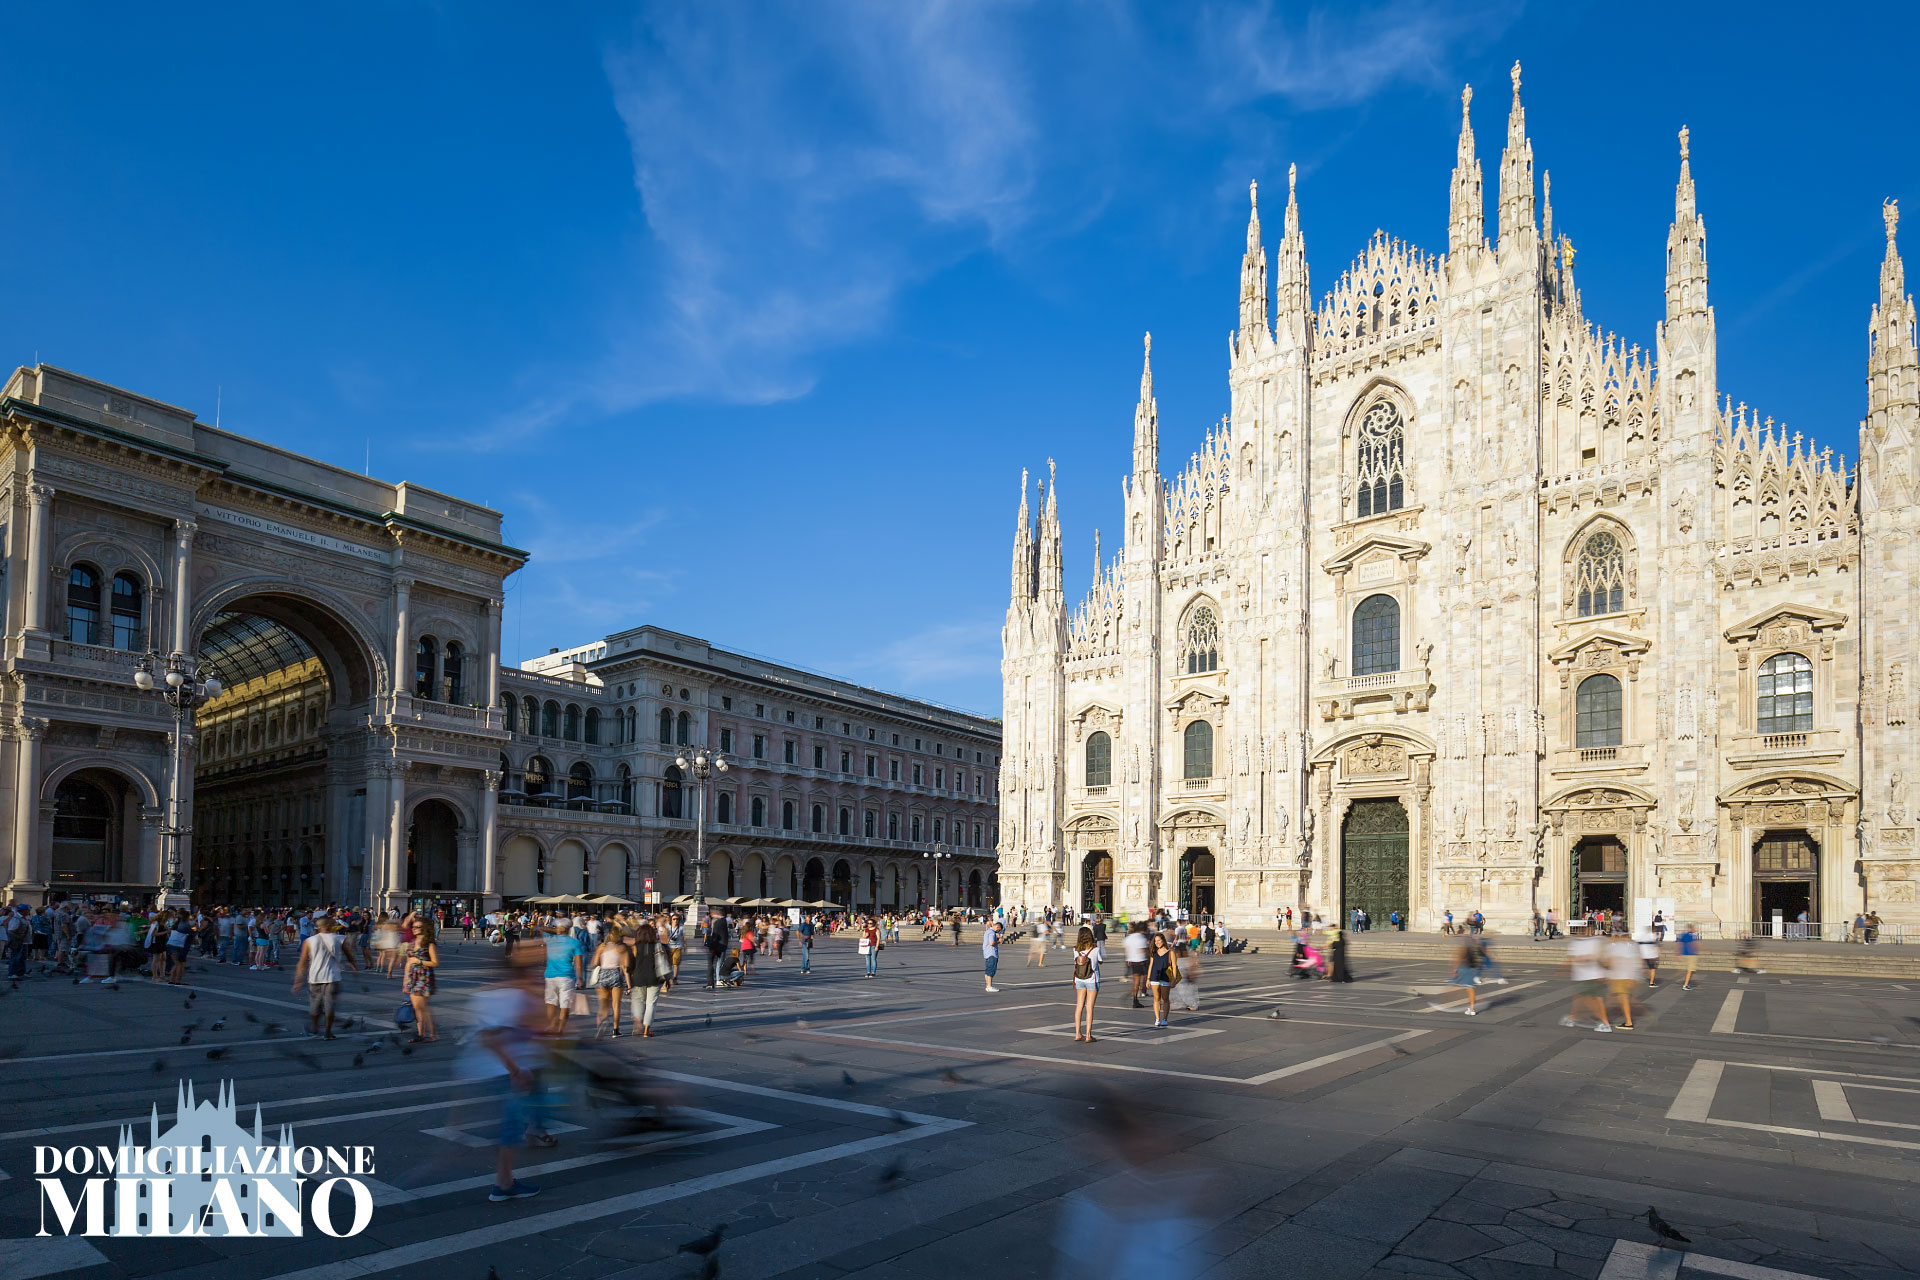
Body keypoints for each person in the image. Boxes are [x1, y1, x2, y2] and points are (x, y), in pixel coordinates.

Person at [462, 939, 554, 1204]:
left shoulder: (488, 994)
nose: (536, 973)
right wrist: (515, 1070)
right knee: (510, 1128)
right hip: (504, 1073)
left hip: (495, 1071)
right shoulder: (510, 996)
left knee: (509, 1128)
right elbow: (491, 1039)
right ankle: (503, 1184)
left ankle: (504, 1180)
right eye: (532, 969)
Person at [292, 915, 359, 1039]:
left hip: (315, 977)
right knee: (330, 1006)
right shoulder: (340, 938)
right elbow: (349, 955)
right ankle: (328, 1032)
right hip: (332, 976)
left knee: (315, 1005)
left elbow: (302, 962)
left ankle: (315, 1029)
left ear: (319, 927)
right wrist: (353, 965)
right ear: (331, 926)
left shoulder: (309, 941)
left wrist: (298, 980)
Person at [1561, 931, 1612, 1032]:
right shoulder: (1596, 940)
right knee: (1581, 998)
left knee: (1591, 1000)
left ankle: (1605, 1023)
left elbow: (1575, 959)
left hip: (1587, 976)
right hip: (1592, 975)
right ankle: (1572, 1018)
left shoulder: (1578, 943)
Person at [543, 921, 584, 1033]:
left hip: (550, 975)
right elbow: (578, 963)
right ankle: (560, 1030)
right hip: (567, 976)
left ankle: (552, 1026)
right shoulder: (575, 942)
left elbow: (541, 928)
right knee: (565, 1004)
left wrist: (555, 930)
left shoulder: (550, 939)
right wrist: (580, 978)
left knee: (551, 1002)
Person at [404, 918, 441, 1042]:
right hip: (413, 977)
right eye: (413, 927)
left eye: (417, 927)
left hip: (424, 976)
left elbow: (435, 963)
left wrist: (419, 961)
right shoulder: (412, 943)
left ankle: (433, 1034)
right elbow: (408, 962)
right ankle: (421, 1034)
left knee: (423, 1007)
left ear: (424, 928)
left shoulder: (429, 944)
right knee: (416, 1007)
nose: (414, 929)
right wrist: (405, 979)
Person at [591, 929, 633, 1038]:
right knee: (616, 1004)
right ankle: (615, 1030)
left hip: (603, 974)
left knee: (603, 1004)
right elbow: (626, 966)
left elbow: (595, 963)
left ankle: (601, 1023)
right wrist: (629, 985)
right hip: (615, 974)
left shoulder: (601, 947)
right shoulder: (622, 948)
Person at [1071, 925, 1101, 1041]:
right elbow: (1100, 961)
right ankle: (1088, 1035)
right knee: (1090, 1007)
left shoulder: (1075, 950)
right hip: (1092, 979)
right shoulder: (1095, 949)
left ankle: (1078, 1033)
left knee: (1079, 1006)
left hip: (1079, 979)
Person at [1606, 933, 1640, 1029]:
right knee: (1616, 999)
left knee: (1621, 999)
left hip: (1621, 977)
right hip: (1620, 977)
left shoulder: (1621, 947)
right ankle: (1608, 1019)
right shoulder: (1629, 947)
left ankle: (1628, 1022)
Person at [1145, 933, 1176, 1027]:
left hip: (1166, 977)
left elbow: (1174, 966)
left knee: (1165, 999)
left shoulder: (1170, 952)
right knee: (1156, 998)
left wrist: (1174, 979)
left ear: (1163, 940)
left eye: (1159, 940)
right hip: (1155, 976)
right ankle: (1157, 1019)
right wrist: (1148, 978)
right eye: (1155, 941)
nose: (1157, 942)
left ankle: (1165, 1019)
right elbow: (1151, 965)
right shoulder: (1153, 952)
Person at [1677, 921, 1699, 990]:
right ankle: (1685, 985)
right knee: (1690, 970)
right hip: (1691, 955)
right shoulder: (1693, 935)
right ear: (1691, 928)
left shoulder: (1683, 934)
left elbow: (1678, 944)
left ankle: (1686, 983)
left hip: (1685, 954)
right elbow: (1694, 945)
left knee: (1690, 970)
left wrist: (1678, 954)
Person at [981, 917, 1002, 993]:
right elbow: (991, 943)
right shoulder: (992, 932)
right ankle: (989, 986)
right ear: (997, 927)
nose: (998, 931)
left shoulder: (988, 931)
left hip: (987, 953)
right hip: (991, 953)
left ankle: (987, 985)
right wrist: (998, 941)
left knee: (987, 970)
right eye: (998, 930)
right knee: (991, 970)